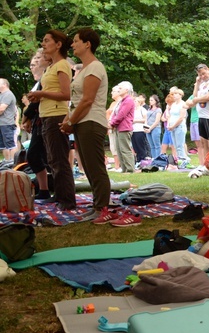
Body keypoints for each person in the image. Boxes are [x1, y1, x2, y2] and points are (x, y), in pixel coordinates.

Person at [61, 28, 111, 222]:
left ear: (87, 44)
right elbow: (77, 100)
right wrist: (70, 120)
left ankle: (102, 208)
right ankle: (97, 205)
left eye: (76, 41)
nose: (72, 45)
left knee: (95, 167)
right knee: (88, 168)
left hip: (92, 121)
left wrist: (71, 121)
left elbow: (88, 100)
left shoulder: (95, 67)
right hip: (83, 122)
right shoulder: (85, 69)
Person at [26, 30, 76, 210]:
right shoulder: (53, 66)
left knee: (59, 160)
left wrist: (41, 93)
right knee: (54, 160)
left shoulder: (62, 65)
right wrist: (38, 98)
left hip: (56, 116)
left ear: (58, 44)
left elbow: (66, 94)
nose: (43, 44)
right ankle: (60, 197)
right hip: (47, 116)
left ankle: (67, 201)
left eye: (47, 41)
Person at [21, 50, 51, 199]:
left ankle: (53, 189)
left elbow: (36, 102)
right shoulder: (41, 80)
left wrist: (25, 117)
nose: (35, 64)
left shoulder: (49, 77)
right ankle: (45, 189)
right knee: (36, 155)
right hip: (39, 121)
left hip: (46, 120)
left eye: (39, 59)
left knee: (46, 156)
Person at [190, 63, 209, 166]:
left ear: (208, 69)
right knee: (203, 141)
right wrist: (197, 84)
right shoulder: (201, 83)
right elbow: (194, 96)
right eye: (200, 75)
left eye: (203, 73)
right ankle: (207, 165)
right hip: (200, 116)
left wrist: (197, 100)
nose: (202, 76)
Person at [109, 82, 136, 173]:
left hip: (124, 128)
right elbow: (115, 113)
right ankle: (124, 169)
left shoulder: (128, 100)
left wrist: (112, 123)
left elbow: (121, 114)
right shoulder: (122, 101)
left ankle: (130, 169)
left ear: (126, 90)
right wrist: (112, 123)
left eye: (120, 88)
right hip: (118, 128)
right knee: (119, 150)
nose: (119, 90)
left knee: (125, 149)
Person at [167, 87, 188, 161]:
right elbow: (170, 115)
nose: (174, 95)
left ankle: (183, 160)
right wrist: (169, 125)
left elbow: (181, 117)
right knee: (175, 146)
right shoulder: (173, 105)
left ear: (181, 95)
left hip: (180, 127)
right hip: (172, 127)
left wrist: (173, 126)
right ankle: (180, 160)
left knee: (180, 145)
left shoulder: (183, 104)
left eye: (176, 94)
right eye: (174, 94)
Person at [0, 78, 18, 161]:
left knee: (11, 145)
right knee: (3, 145)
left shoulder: (8, 94)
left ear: (4, 84)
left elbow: (1, 109)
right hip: (2, 124)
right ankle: (7, 162)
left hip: (7, 124)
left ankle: (13, 162)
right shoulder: (2, 95)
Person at [131, 94, 150, 164]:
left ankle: (143, 159)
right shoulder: (132, 110)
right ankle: (138, 159)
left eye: (136, 101)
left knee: (140, 145)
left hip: (140, 129)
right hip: (133, 129)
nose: (134, 102)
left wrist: (135, 121)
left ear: (139, 102)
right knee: (135, 146)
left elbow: (145, 119)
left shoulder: (142, 109)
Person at [144, 95, 162, 160]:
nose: (150, 101)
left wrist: (150, 128)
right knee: (151, 146)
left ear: (155, 101)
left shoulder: (158, 110)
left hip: (155, 128)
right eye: (149, 100)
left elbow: (157, 121)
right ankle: (154, 159)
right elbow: (146, 118)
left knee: (157, 145)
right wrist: (145, 126)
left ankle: (158, 159)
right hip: (148, 128)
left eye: (152, 100)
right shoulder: (149, 109)